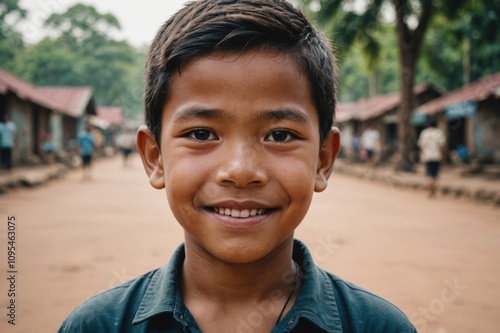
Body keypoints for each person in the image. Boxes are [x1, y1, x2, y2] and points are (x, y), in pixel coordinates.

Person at [58, 1, 416, 332]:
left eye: (279, 135)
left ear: (323, 159)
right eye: (201, 133)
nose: (241, 170)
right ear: (155, 157)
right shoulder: (98, 326)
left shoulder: (378, 326)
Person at [418, 119, 446, 197]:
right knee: (435, 174)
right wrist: (444, 156)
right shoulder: (439, 133)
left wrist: (421, 155)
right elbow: (442, 146)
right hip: (437, 156)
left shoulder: (424, 133)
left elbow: (421, 146)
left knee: (429, 174)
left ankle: (430, 190)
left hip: (427, 156)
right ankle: (434, 191)